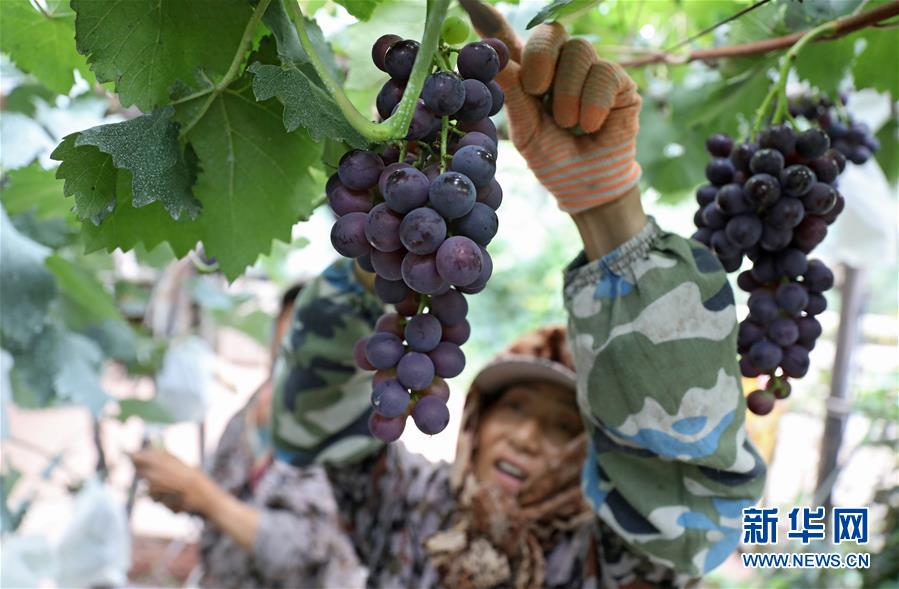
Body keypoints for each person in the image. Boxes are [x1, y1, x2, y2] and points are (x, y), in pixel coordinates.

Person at [269, 7, 767, 589]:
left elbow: (699, 511)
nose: (528, 437)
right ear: (477, 419)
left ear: (599, 448)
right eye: (517, 408)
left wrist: (607, 211)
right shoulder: (409, 506)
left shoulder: (615, 561)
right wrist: (391, 238)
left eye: (562, 427)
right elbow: (313, 417)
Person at [131, 284, 365, 589]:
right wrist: (180, 492)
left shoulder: (347, 435)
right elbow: (219, 491)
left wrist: (202, 493)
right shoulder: (252, 412)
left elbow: (300, 550)